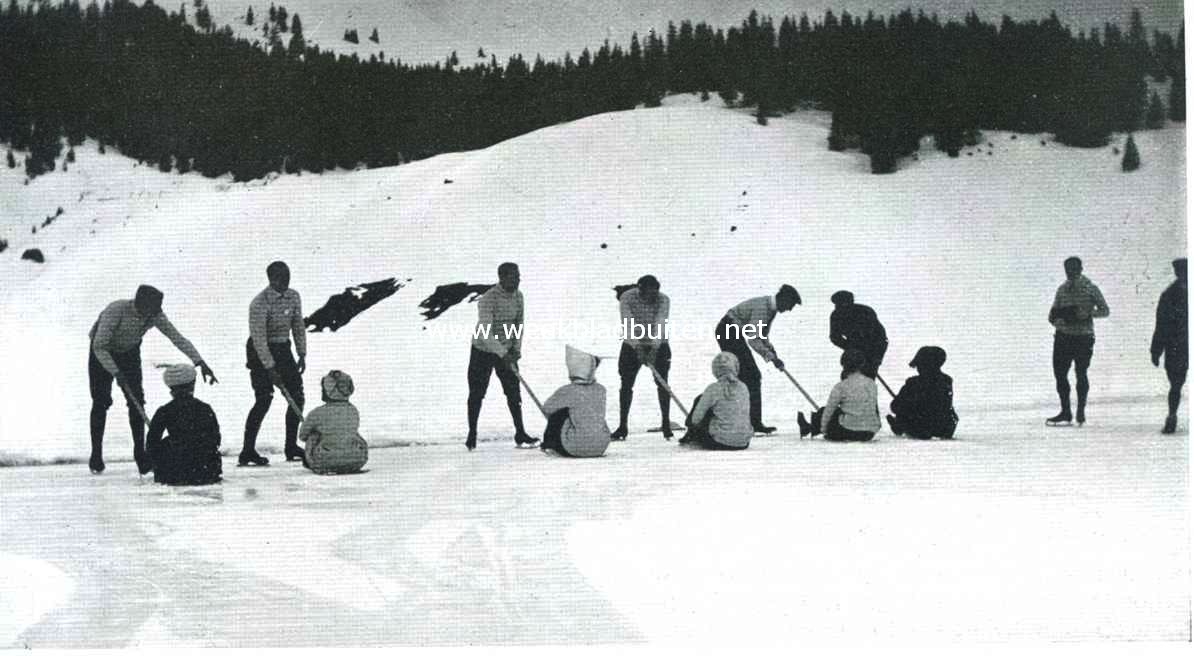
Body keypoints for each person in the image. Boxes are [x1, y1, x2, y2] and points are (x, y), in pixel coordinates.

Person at [88, 284, 218, 474]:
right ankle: (96, 454)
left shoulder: (155, 314)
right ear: (141, 303)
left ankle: (141, 454)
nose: (158, 311)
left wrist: (199, 361)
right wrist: (116, 373)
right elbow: (99, 345)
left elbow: (176, 338)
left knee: (137, 401)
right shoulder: (116, 310)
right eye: (155, 307)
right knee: (101, 402)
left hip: (129, 353)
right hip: (101, 353)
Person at [241, 261, 307, 466]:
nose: (286, 280)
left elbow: (297, 325)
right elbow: (259, 339)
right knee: (264, 398)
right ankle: (247, 450)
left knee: (296, 396)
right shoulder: (259, 303)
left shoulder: (293, 296)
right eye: (282, 277)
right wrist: (269, 368)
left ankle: (291, 446)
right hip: (259, 351)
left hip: (282, 348)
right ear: (272, 279)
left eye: (288, 275)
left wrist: (302, 353)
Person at [466, 262, 538, 450]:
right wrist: (502, 353)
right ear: (502, 277)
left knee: (514, 392)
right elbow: (484, 332)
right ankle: (472, 434)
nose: (518, 279)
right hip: (483, 351)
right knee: (477, 393)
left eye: (518, 276)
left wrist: (516, 349)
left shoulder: (519, 297)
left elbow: (518, 324)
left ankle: (520, 433)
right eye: (514, 276)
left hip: (506, 350)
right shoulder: (488, 299)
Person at [715, 284, 801, 434]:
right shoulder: (763, 308)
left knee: (748, 377)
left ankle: (750, 421)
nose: (790, 309)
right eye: (790, 305)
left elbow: (762, 335)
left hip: (733, 331)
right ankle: (752, 422)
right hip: (727, 330)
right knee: (752, 376)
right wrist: (771, 358)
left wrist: (773, 354)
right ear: (784, 299)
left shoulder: (771, 310)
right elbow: (753, 338)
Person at [1047, 256, 1110, 426]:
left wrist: (1088, 314)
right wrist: (1055, 320)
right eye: (1067, 269)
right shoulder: (1062, 289)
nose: (1070, 272)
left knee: (1081, 373)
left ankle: (1080, 410)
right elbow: (1052, 313)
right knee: (1060, 374)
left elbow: (1105, 310)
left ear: (1080, 269)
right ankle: (1066, 411)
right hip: (1063, 336)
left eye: (1073, 269)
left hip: (1083, 337)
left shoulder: (1090, 288)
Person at [612, 275, 672, 440]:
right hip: (631, 344)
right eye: (648, 294)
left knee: (663, 383)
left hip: (659, 344)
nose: (652, 298)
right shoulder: (627, 298)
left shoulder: (664, 300)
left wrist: (653, 349)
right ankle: (622, 427)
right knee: (626, 384)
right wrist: (638, 348)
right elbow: (628, 323)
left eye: (655, 294)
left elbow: (661, 323)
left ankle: (666, 425)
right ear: (640, 290)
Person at [145, 364, 222, 485]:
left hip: (175, 471)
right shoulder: (205, 409)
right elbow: (215, 439)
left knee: (166, 443)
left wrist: (154, 463)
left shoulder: (164, 411)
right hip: (206, 470)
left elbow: (151, 442)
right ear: (193, 384)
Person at [540, 346, 612, 457]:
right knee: (591, 412)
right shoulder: (600, 389)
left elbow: (547, 409)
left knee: (559, 412)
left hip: (574, 447)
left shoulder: (568, 390)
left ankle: (549, 445)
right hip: (601, 446)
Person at [797, 349, 881, 442]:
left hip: (848, 431)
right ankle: (809, 428)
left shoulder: (841, 386)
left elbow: (829, 410)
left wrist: (825, 430)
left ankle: (810, 428)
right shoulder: (872, 384)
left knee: (826, 410)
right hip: (869, 433)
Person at [299, 370, 369, 474]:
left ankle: (317, 462)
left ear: (328, 390)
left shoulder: (317, 412)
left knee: (313, 435)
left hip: (325, 460)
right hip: (356, 459)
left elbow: (302, 436)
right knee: (350, 432)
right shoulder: (354, 410)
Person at [678, 352, 752, 450]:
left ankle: (690, 436)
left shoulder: (713, 389)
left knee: (700, 399)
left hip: (719, 442)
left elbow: (696, 419)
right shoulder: (744, 387)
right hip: (743, 443)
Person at [886, 346, 958, 440]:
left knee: (904, 411)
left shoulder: (912, 383)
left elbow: (895, 407)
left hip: (919, 428)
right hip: (944, 428)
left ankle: (900, 426)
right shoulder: (947, 381)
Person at [1151, 258, 1188, 434]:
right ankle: (1172, 416)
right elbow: (1162, 324)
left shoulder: (1169, 294)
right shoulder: (1169, 295)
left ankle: (1172, 417)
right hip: (1177, 345)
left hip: (1179, 345)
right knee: (1176, 384)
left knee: (1176, 384)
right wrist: (1156, 349)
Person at [828, 290, 888, 379]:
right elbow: (835, 337)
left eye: (843, 304)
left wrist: (871, 359)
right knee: (849, 373)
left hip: (876, 345)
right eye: (837, 305)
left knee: (868, 373)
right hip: (854, 347)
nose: (840, 308)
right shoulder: (836, 316)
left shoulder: (865, 312)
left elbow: (874, 335)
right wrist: (849, 347)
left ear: (850, 303)